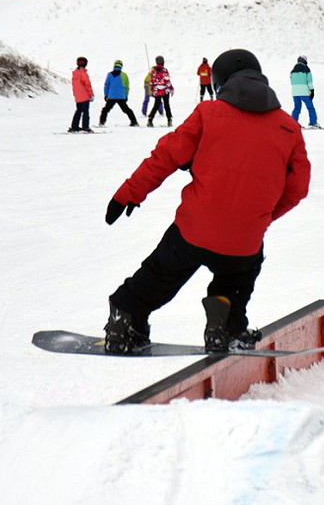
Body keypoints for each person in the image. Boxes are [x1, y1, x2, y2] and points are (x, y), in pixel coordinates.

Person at [102, 48, 311, 354]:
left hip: (193, 229)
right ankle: (225, 325)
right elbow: (298, 188)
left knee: (161, 273)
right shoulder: (288, 127)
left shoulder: (207, 114)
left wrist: (128, 193)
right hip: (244, 239)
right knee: (238, 273)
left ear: (219, 82)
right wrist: (259, 216)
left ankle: (126, 318)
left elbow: (165, 156)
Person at [99, 59, 140, 127]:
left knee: (105, 110)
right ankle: (134, 121)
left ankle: (102, 122)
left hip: (111, 96)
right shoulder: (124, 75)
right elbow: (127, 87)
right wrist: (126, 95)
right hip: (121, 96)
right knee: (126, 110)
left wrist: (106, 94)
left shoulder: (109, 74)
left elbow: (106, 85)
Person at [289, 56, 318, 127]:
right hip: (304, 92)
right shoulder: (306, 69)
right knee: (310, 108)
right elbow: (309, 82)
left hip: (295, 92)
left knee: (297, 108)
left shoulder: (293, 70)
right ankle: (313, 123)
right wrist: (312, 90)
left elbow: (292, 81)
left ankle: (293, 124)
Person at [69, 56, 94, 132]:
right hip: (85, 95)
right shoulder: (83, 73)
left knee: (78, 111)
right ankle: (85, 126)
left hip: (78, 96)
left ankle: (74, 126)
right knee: (85, 112)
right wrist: (91, 94)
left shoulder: (75, 73)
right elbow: (87, 84)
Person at [147, 57, 173, 127]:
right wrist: (171, 88)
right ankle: (169, 120)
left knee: (156, 105)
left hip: (157, 91)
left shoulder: (153, 71)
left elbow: (152, 82)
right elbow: (167, 81)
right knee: (167, 105)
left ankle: (150, 119)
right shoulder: (164, 70)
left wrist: (152, 90)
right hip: (165, 91)